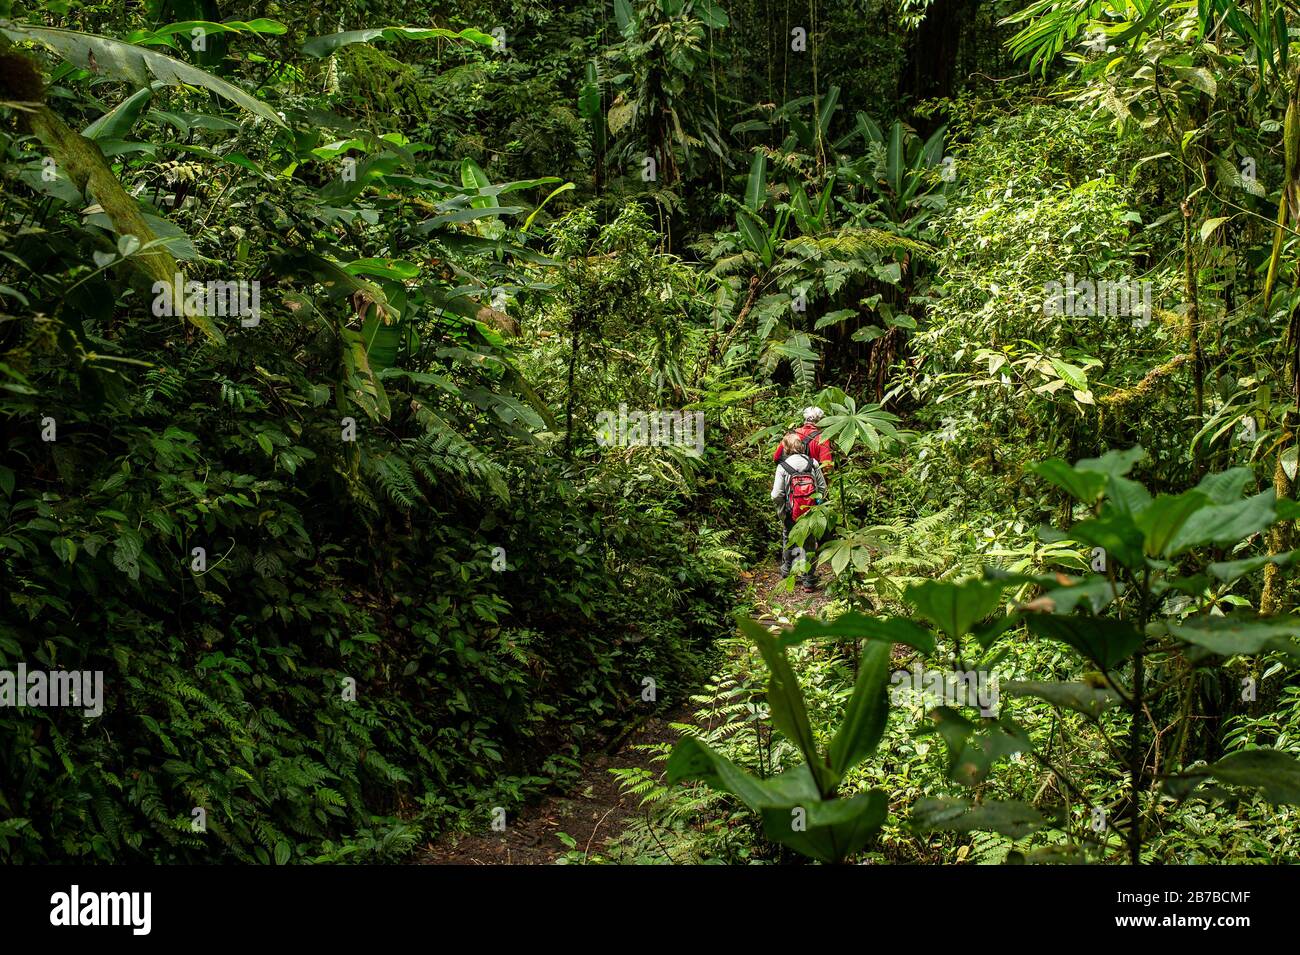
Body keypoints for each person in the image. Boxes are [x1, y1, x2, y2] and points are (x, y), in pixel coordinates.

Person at [771, 432, 827, 590]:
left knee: (789, 539)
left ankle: (787, 571)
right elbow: (822, 488)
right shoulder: (813, 463)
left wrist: (782, 512)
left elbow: (776, 494)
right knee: (809, 544)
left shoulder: (783, 467)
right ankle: (809, 580)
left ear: (786, 448)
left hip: (791, 512)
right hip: (810, 512)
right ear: (801, 446)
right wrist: (816, 505)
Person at [773, 406, 832, 473]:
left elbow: (776, 457)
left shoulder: (791, 434)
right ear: (821, 421)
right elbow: (827, 465)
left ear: (805, 419)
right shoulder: (822, 438)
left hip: (790, 475)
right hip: (812, 477)